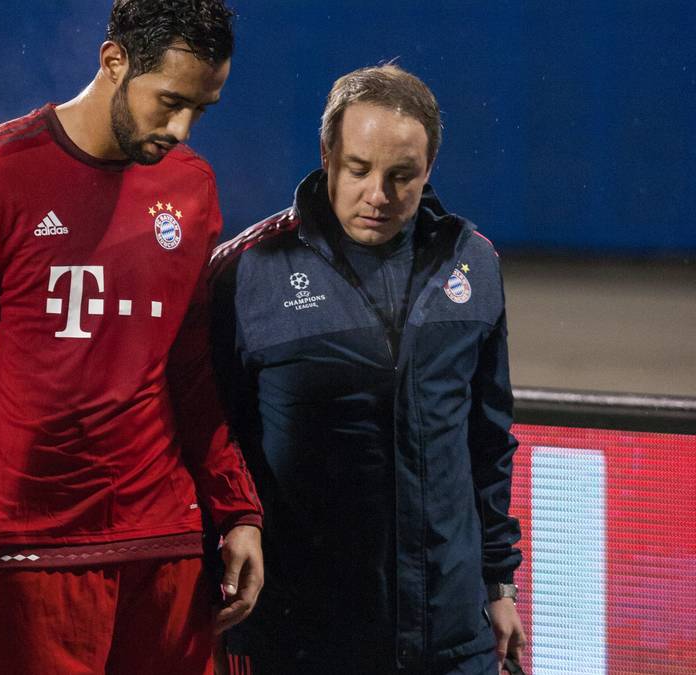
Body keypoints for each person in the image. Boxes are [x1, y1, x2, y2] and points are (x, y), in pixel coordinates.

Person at [0, 1, 263, 672]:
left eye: (200, 110)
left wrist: (237, 510)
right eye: (170, 102)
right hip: (24, 553)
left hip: (165, 544)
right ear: (114, 61)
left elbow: (190, 371)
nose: (181, 128)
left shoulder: (191, 186)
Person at [210, 64, 526, 674]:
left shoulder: (473, 263)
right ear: (326, 156)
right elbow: (211, 440)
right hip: (303, 640)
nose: (378, 194)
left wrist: (498, 585)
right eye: (358, 169)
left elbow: (487, 443)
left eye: (401, 175)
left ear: (430, 168)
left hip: (452, 637)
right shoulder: (247, 271)